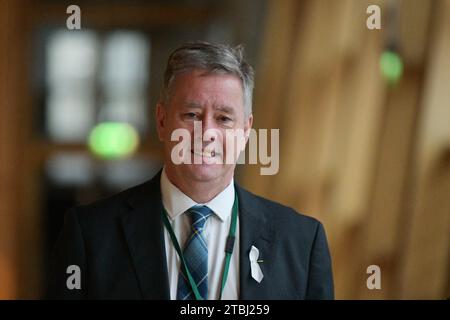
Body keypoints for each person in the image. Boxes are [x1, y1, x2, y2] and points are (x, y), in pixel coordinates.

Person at [47, 41, 334, 300]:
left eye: (223, 118)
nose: (206, 132)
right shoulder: (91, 236)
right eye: (192, 115)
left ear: (246, 131)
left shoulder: (302, 243)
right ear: (162, 121)